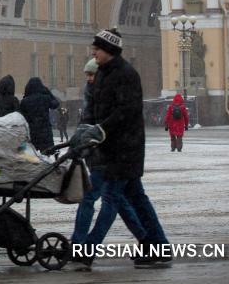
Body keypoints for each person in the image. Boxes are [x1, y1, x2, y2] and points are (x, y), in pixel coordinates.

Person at [73, 28, 172, 269]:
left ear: (109, 50)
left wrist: (101, 129)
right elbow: (95, 108)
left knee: (111, 199)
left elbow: (126, 112)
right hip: (110, 149)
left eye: (97, 47)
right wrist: (85, 129)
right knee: (136, 198)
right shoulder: (103, 75)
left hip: (126, 149)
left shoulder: (127, 74)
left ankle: (86, 249)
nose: (93, 51)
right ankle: (158, 245)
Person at [70, 58, 143, 254]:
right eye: (86, 74)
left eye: (91, 74)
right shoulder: (91, 92)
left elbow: (111, 122)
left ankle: (80, 245)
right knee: (120, 201)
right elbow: (87, 120)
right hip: (99, 155)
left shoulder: (107, 93)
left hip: (108, 155)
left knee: (94, 198)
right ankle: (146, 238)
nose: (88, 78)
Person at [19, 77, 60, 152]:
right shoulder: (45, 98)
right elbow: (56, 104)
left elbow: (21, 117)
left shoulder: (24, 101)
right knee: (47, 156)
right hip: (45, 133)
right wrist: (48, 92)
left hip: (32, 133)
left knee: (32, 157)